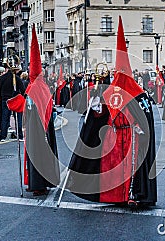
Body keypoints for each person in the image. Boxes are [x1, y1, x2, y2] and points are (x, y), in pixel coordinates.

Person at [66, 16, 156, 207]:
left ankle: (133, 194)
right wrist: (97, 109)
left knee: (130, 168)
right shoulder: (108, 91)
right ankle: (113, 196)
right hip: (113, 138)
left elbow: (144, 117)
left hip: (131, 136)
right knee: (112, 169)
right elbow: (101, 116)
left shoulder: (138, 94)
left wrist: (140, 128)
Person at [6, 26, 60, 195]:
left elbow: (28, 107)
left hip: (36, 130)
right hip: (42, 128)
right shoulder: (41, 86)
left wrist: (16, 102)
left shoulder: (34, 88)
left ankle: (38, 184)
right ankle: (43, 181)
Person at [0, 56, 25, 141]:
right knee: (18, 118)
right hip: (15, 100)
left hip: (5, 100)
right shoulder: (17, 78)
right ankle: (20, 135)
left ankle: (3, 136)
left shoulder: (2, 78)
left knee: (5, 118)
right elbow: (23, 90)